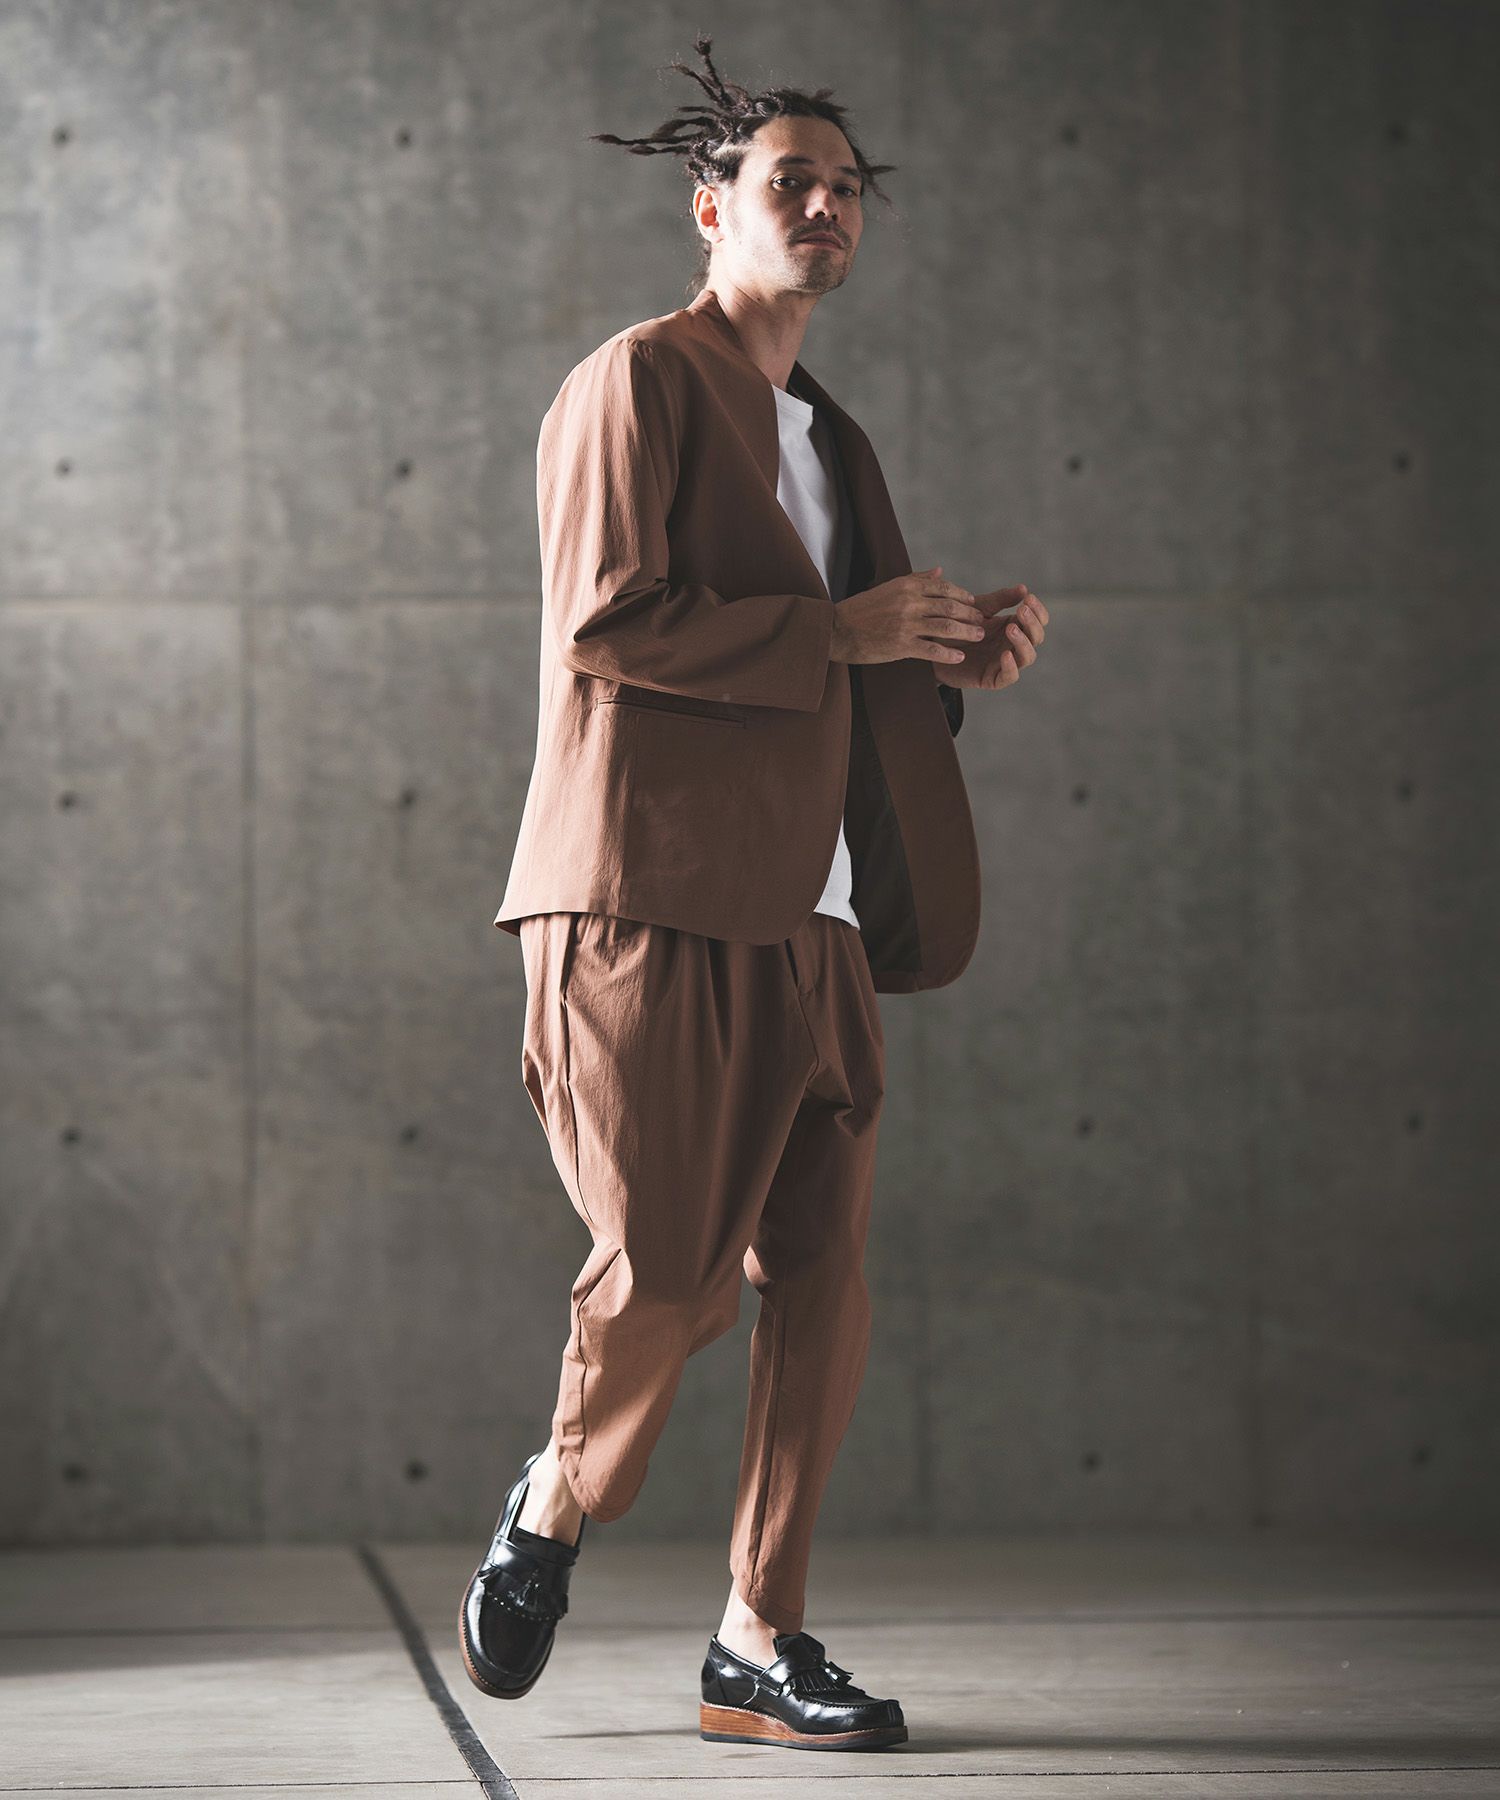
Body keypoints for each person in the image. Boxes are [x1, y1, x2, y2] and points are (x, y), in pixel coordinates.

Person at [458, 35, 1048, 1752]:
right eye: (791, 180)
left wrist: (943, 662)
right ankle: (556, 1500)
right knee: (667, 1273)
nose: (825, 206)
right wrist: (841, 631)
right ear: (711, 207)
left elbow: (838, 675)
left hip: (818, 916)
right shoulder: (638, 381)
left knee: (820, 1288)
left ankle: (758, 1639)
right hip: (649, 898)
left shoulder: (829, 439)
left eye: (847, 187)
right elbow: (606, 621)